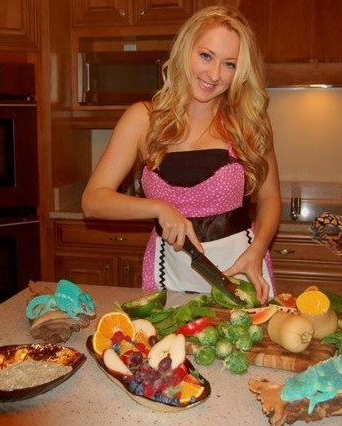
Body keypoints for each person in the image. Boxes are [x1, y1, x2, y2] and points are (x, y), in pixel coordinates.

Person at [81, 5, 281, 304]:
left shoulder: (249, 121)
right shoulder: (142, 119)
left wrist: (257, 251)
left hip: (240, 270)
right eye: (206, 56)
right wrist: (158, 208)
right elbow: (92, 201)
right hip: (169, 270)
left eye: (229, 64)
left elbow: (270, 198)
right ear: (185, 49)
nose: (214, 74)